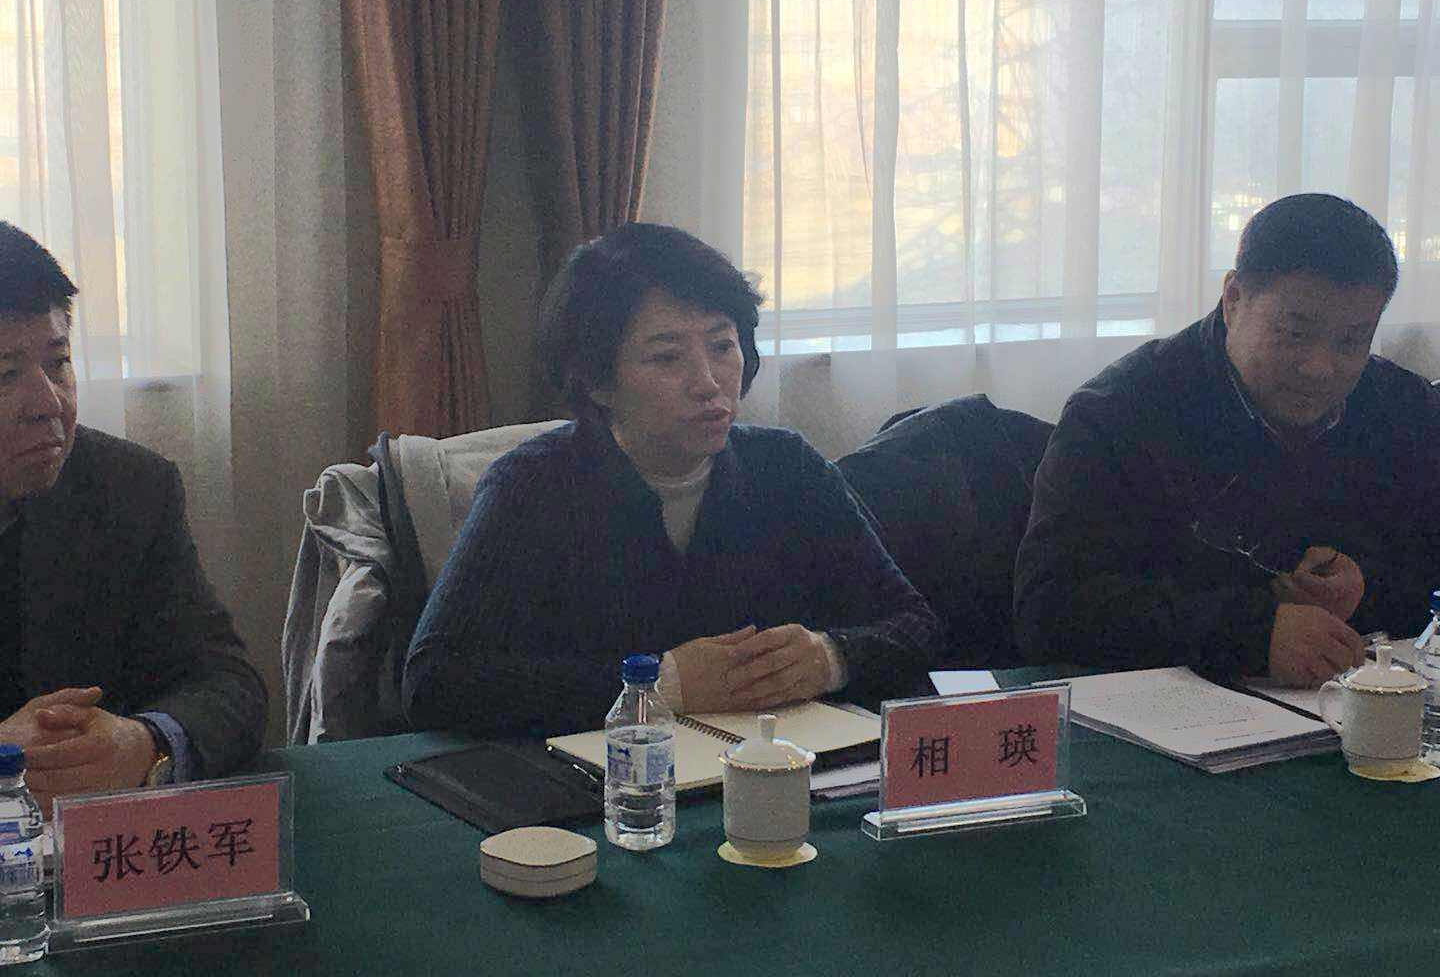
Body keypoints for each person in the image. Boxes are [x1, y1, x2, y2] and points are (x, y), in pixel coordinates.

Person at [404, 223, 941, 737]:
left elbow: (915, 624)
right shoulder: (533, 487)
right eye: (667, 357)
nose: (708, 383)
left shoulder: (788, 468)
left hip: (770, 769)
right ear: (597, 381)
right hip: (606, 781)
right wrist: (661, 685)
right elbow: (435, 680)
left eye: (722, 346)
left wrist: (831, 656)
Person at [1014, 193, 1440, 687]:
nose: (1320, 368)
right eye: (1295, 333)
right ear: (1234, 298)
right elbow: (1049, 611)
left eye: (1351, 341)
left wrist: (1368, 587)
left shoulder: (1404, 409)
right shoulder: (1120, 412)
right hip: (1179, 714)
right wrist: (1252, 633)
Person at [0, 222, 266, 813]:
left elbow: (227, 683)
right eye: (6, 374)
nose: (48, 403)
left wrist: (143, 743)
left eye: (58, 363)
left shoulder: (130, 489)